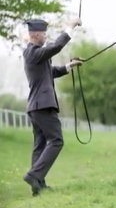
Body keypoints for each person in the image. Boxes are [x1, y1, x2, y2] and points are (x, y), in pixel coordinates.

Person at [22, 18, 82, 196]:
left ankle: (38, 185)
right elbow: (56, 47)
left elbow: (51, 72)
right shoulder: (33, 52)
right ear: (36, 35)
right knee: (57, 140)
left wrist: (69, 66)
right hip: (43, 106)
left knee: (39, 145)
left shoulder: (35, 55)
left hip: (36, 107)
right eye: (44, 34)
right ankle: (33, 175)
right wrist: (70, 27)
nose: (46, 37)